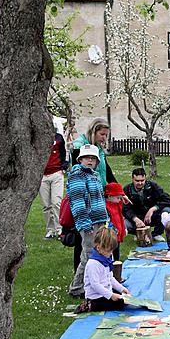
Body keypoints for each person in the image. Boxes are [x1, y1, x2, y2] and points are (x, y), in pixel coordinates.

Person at [67, 144, 109, 298]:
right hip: (88, 223)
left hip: (99, 220)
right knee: (89, 254)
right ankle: (77, 287)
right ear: (80, 159)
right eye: (87, 158)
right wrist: (84, 222)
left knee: (100, 252)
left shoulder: (94, 176)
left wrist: (106, 219)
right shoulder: (77, 175)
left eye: (93, 158)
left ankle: (96, 282)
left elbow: (100, 200)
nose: (90, 161)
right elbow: (77, 201)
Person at [75, 227, 130, 313]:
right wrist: (111, 295)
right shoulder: (93, 264)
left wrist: (122, 289)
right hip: (95, 297)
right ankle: (89, 305)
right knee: (120, 303)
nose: (111, 253)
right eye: (108, 250)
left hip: (105, 292)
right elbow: (95, 285)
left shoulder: (106, 258)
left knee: (123, 298)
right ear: (98, 248)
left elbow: (111, 278)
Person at [122, 167, 170, 241]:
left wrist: (153, 209)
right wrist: (135, 219)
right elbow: (125, 209)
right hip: (137, 218)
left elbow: (168, 200)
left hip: (152, 217)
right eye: (137, 181)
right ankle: (137, 233)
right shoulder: (127, 189)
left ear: (145, 179)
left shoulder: (153, 186)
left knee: (166, 210)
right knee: (125, 223)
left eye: (142, 180)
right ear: (132, 179)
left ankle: (156, 234)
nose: (140, 183)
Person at [40, 127, 69, 239]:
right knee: (46, 205)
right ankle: (50, 230)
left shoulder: (58, 137)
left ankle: (59, 229)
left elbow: (64, 152)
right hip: (43, 176)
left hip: (56, 173)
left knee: (56, 202)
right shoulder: (39, 138)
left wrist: (64, 166)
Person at [71, 118, 117, 188]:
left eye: (106, 135)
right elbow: (76, 170)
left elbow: (107, 171)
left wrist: (117, 189)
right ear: (93, 132)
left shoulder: (99, 148)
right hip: (85, 191)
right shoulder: (79, 145)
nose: (104, 138)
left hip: (100, 190)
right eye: (102, 134)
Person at [104, 182, 127, 261]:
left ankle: (116, 264)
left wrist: (124, 229)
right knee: (109, 253)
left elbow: (121, 218)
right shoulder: (106, 207)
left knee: (117, 253)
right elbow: (107, 223)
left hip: (118, 235)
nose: (120, 200)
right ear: (109, 196)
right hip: (110, 236)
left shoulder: (117, 204)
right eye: (118, 198)